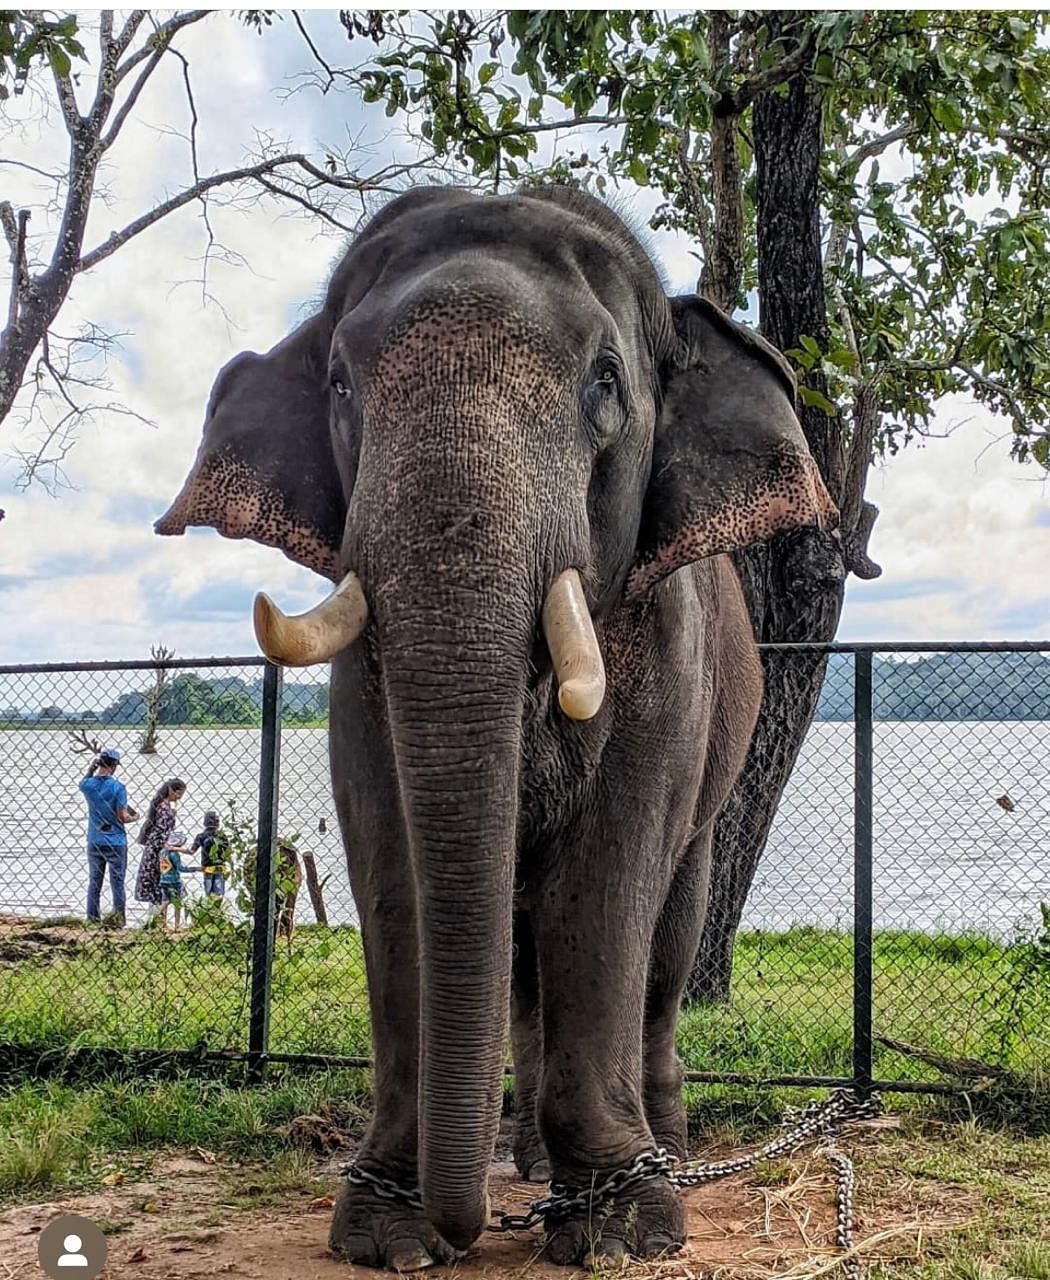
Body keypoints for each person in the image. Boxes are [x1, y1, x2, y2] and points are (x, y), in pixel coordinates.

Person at [78, 747, 138, 925]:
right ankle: (118, 919)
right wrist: (135, 817)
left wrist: (91, 768)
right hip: (116, 840)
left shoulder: (88, 786)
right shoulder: (118, 787)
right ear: (114, 766)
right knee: (117, 882)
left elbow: (82, 781)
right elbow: (123, 816)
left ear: (99, 763)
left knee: (94, 882)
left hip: (94, 839)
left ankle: (92, 918)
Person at [134, 778, 186, 920]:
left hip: (152, 849)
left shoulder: (159, 806)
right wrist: (171, 845)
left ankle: (156, 919)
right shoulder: (165, 809)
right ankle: (158, 920)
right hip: (159, 851)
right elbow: (161, 832)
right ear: (172, 791)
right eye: (179, 793)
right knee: (161, 884)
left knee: (156, 886)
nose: (180, 797)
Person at [157, 828, 200, 931]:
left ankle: (162, 924)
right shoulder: (174, 854)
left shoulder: (162, 852)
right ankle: (177, 926)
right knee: (177, 903)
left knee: (164, 901)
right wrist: (196, 869)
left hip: (163, 880)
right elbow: (181, 868)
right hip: (174, 881)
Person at [191, 810, 229, 899]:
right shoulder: (222, 836)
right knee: (219, 893)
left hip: (207, 868)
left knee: (208, 894)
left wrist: (175, 848)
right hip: (220, 867)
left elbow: (192, 851)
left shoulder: (201, 836)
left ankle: (209, 908)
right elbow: (227, 850)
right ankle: (218, 909)